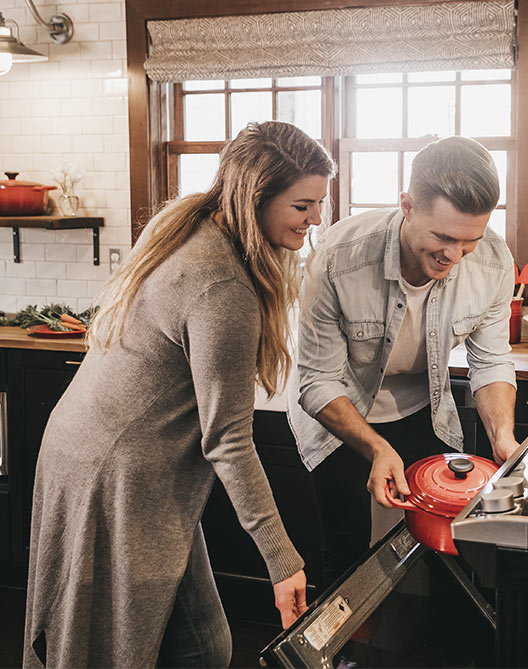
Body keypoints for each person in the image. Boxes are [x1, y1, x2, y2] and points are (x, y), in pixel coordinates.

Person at [23, 121, 337, 668]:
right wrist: (284, 561)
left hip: (87, 451)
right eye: (303, 206)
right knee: (164, 648)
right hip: (119, 475)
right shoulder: (223, 286)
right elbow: (230, 441)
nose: (315, 221)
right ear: (254, 196)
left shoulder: (187, 223)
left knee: (200, 643)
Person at [288, 135, 518, 584]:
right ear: (408, 205)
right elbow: (317, 380)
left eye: (468, 241)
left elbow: (490, 361)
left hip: (425, 411)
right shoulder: (338, 257)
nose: (454, 256)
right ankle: (348, 653)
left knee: (449, 551)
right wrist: (376, 447)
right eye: (443, 237)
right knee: (348, 553)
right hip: (341, 415)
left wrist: (503, 435)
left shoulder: (492, 260)